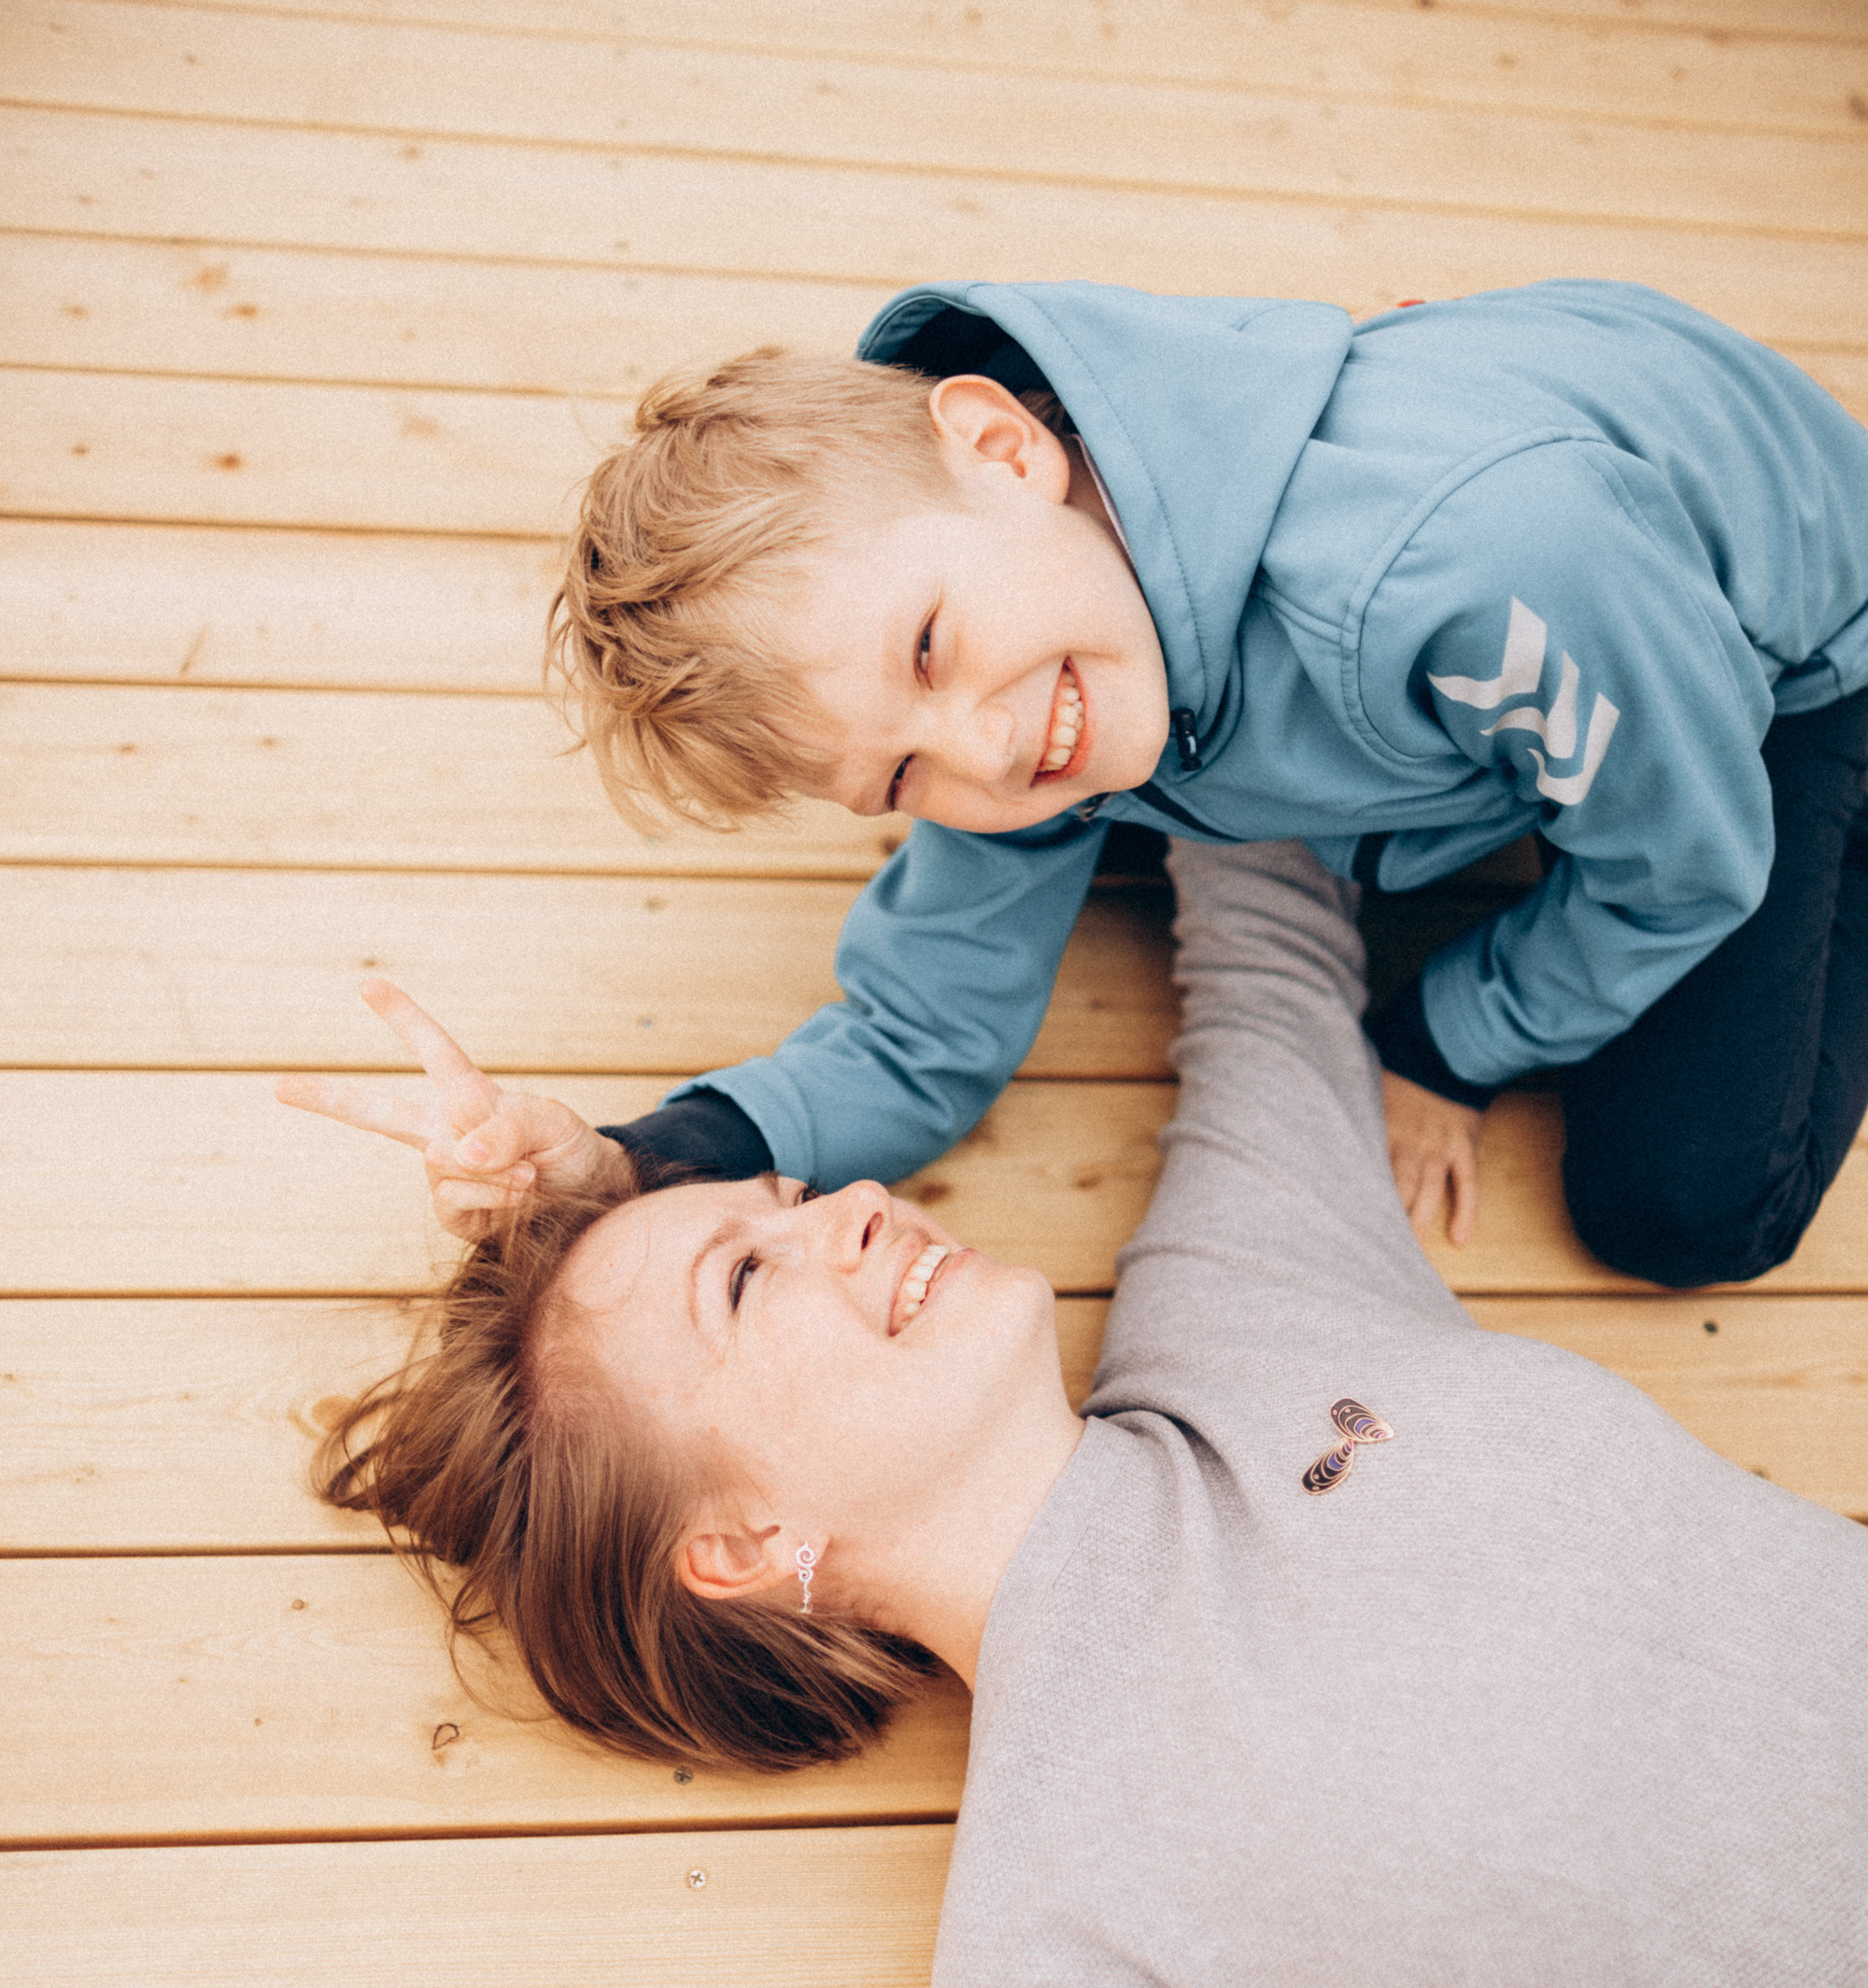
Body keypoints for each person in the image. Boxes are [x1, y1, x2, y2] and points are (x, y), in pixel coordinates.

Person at [280, 839, 1868, 1988]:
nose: (845, 1213)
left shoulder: (1249, 1299)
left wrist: (631, 1168)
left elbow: (1266, 906)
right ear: (736, 1553)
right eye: (748, 1279)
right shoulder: (1049, 1983)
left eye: (787, 1194)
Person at [550, 277, 1868, 1288]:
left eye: (929, 648)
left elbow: (1682, 867)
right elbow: (925, 1031)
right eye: (898, 772)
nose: (985, 754)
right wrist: (644, 1159)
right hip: (1590, 601)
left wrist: (1446, 1043)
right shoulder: (1025, 672)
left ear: (1007, 450)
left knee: (1682, 1206)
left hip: (1807, 668)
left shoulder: (1481, 566)